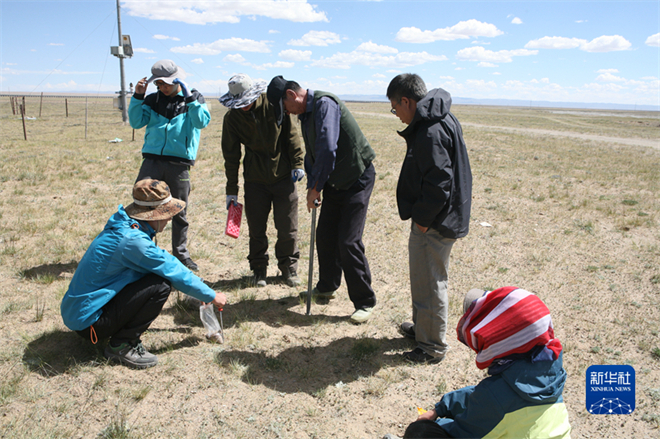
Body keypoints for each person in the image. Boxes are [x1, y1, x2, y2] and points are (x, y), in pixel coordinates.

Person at [60, 179, 227, 369]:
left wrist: (199, 287)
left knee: (155, 277)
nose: (170, 218)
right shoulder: (133, 242)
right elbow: (172, 270)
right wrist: (211, 295)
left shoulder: (125, 226)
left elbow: (166, 263)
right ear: (152, 215)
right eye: (167, 213)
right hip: (90, 325)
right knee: (161, 285)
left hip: (78, 313)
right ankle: (122, 346)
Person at [388, 287, 572, 439]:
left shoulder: (495, 397)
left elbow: (462, 432)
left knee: (420, 433)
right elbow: (483, 396)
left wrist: (434, 422)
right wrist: (442, 407)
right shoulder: (547, 366)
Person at [266, 76, 377, 324]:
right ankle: (327, 286)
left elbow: (328, 148)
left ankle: (365, 301)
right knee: (325, 235)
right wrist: (313, 186)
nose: (287, 112)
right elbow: (313, 153)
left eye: (284, 106)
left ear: (292, 96)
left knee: (348, 241)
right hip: (335, 181)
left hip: (356, 178)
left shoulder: (325, 104)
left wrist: (315, 188)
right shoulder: (306, 114)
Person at [386, 73, 472, 363]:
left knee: (431, 280)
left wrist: (422, 219)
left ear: (407, 101)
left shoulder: (430, 130)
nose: (395, 114)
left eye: (395, 107)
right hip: (439, 217)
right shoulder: (437, 119)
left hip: (435, 221)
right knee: (424, 278)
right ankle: (424, 330)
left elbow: (439, 183)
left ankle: (432, 346)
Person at [219, 74, 305, 287]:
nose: (244, 107)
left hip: (284, 176)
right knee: (257, 228)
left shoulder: (274, 104)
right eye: (239, 103)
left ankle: (289, 268)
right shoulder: (232, 118)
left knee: (288, 227)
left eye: (247, 101)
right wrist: (232, 189)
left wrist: (297, 164)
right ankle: (259, 270)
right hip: (254, 180)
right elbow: (231, 156)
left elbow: (292, 135)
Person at [129, 59, 211, 271]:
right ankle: (140, 252)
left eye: (166, 83)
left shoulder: (194, 98)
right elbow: (136, 122)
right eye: (159, 84)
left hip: (179, 164)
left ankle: (181, 255)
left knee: (178, 210)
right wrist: (138, 96)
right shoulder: (152, 99)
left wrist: (191, 99)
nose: (162, 88)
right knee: (143, 207)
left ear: (177, 80)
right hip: (152, 161)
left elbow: (202, 122)